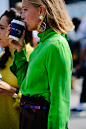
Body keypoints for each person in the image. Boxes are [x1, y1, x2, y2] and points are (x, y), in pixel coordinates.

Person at [8, 0, 74, 129]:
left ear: (41, 11)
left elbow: (60, 102)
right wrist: (19, 49)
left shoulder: (56, 45)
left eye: (25, 9)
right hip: (28, 119)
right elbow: (26, 87)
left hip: (40, 121)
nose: (22, 16)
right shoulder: (42, 45)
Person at [0, 8, 33, 129]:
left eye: (2, 28)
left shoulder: (31, 57)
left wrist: (11, 91)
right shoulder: (3, 56)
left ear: (15, 30)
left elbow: (36, 100)